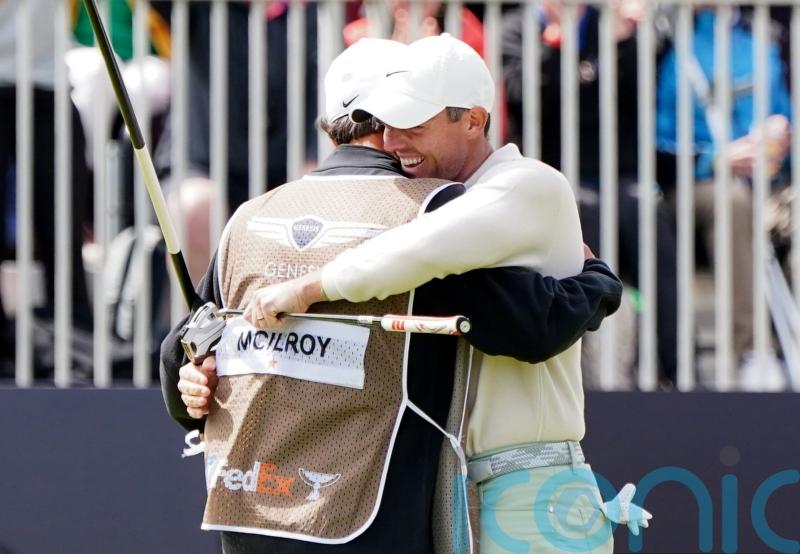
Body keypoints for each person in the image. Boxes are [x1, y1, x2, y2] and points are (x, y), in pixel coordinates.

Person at [164, 38, 623, 553]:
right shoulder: (429, 206)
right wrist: (596, 283)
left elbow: (503, 307)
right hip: (458, 491)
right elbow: (541, 320)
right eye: (390, 123)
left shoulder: (509, 189)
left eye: (414, 124)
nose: (399, 140)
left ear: (474, 120)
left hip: (527, 489)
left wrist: (305, 289)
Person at [503, 0, 679, 386]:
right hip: (550, 171)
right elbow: (521, 100)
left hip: (616, 169)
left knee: (648, 217)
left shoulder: (605, 23)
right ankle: (587, 374)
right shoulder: (515, 27)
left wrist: (626, 41)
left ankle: (673, 367)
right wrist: (554, 47)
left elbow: (636, 99)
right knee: (586, 213)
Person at [656, 7, 792, 388]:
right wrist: (716, 159)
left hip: (769, 188)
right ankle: (753, 351)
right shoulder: (669, 43)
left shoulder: (764, 41)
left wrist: (783, 139)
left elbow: (785, 115)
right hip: (697, 188)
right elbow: (654, 139)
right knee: (731, 200)